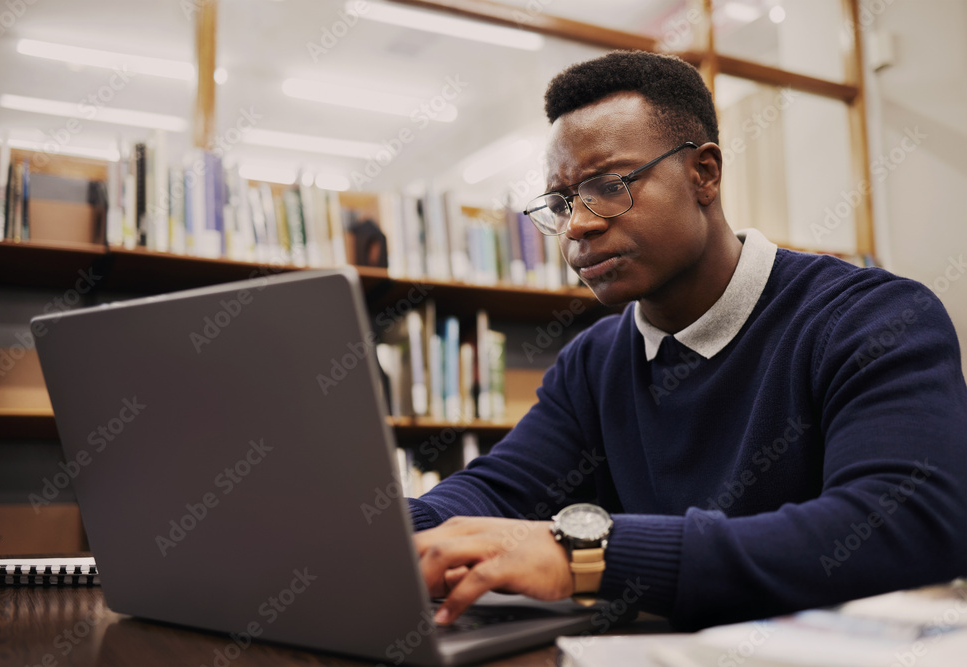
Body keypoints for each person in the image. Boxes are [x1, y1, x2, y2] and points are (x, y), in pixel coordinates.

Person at [407, 50, 967, 631]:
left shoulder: (873, 318)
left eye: (607, 185)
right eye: (562, 201)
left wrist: (585, 556)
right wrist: (380, 533)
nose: (578, 225)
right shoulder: (594, 362)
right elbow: (499, 493)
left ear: (704, 174)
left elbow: (903, 527)